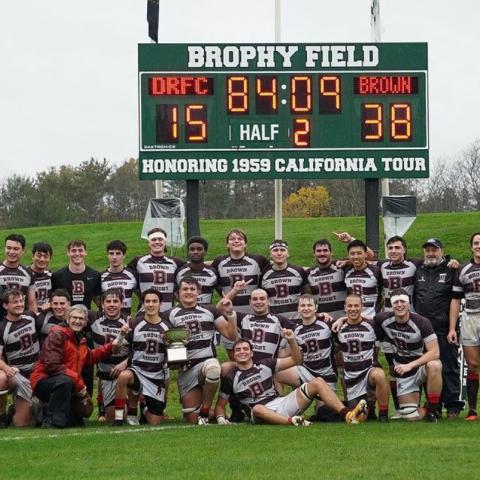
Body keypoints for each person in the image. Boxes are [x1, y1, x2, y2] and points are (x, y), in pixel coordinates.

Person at [214, 336, 368, 426]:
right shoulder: (231, 377)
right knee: (257, 408)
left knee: (318, 382)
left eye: (245, 349)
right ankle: (292, 421)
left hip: (280, 403)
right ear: (233, 355)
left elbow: (296, 360)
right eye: (238, 350)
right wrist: (221, 419)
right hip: (260, 413)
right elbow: (220, 406)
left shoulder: (266, 364)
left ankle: (348, 415)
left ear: (252, 352)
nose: (242, 352)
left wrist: (292, 341)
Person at [30, 304, 123, 428]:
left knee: (78, 421)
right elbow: (52, 366)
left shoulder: (80, 339)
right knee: (65, 382)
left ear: (85, 322)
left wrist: (111, 346)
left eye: (81, 319)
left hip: (66, 383)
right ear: (67, 319)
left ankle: (43, 412)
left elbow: (89, 357)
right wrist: (79, 384)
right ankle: (52, 422)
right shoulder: (57, 334)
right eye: (74, 318)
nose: (77, 321)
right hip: (43, 381)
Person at [162, 277, 238, 425]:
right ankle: (212, 413)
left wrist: (231, 315)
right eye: (185, 289)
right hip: (186, 368)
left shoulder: (210, 310)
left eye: (192, 289)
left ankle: (205, 410)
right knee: (192, 419)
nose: (188, 292)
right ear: (178, 293)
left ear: (199, 292)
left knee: (214, 369)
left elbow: (232, 335)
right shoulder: (169, 314)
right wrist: (171, 357)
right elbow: (167, 344)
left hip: (206, 362)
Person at [414, 238, 464, 418]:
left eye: (434, 250)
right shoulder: (418, 270)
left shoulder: (452, 269)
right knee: (427, 367)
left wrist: (452, 327)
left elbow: (456, 298)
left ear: (441, 251)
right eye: (427, 250)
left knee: (449, 367)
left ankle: (453, 406)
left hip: (444, 328)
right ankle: (433, 404)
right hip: (422, 330)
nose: (430, 253)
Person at [375, 289, 443, 422]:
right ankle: (426, 409)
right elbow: (362, 319)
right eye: (396, 302)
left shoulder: (422, 322)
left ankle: (433, 412)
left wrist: (409, 365)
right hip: (405, 373)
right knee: (409, 416)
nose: (399, 305)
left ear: (408, 303)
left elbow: (435, 352)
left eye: (403, 301)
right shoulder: (383, 319)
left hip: (420, 367)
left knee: (435, 365)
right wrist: (342, 319)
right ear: (391, 304)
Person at [274, 294, 338, 422]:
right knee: (274, 372)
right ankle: (278, 404)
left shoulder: (327, 323)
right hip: (306, 372)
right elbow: (291, 356)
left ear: (316, 308)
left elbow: (349, 322)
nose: (306, 308)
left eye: (309, 305)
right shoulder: (296, 330)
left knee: (325, 415)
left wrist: (341, 319)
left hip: (326, 376)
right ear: (298, 309)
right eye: (303, 305)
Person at [113, 289, 170, 426]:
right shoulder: (134, 324)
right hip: (137, 371)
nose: (151, 304)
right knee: (124, 376)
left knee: (155, 422)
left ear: (160, 304)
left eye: (154, 301)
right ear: (143, 304)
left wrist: (176, 351)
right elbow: (115, 349)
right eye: (147, 301)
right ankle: (120, 417)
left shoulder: (168, 327)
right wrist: (121, 335)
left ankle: (144, 408)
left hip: (156, 376)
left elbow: (172, 358)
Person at [335, 293, 389, 422]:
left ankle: (383, 415)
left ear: (362, 307)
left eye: (356, 306)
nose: (353, 309)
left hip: (368, 372)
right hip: (352, 378)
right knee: (360, 418)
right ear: (345, 307)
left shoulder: (372, 325)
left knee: (380, 375)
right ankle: (369, 407)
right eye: (350, 306)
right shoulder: (338, 328)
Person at [450, 232, 480, 421]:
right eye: (476, 243)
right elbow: (455, 300)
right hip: (470, 318)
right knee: (473, 365)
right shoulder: (462, 269)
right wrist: (452, 328)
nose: (479, 246)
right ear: (471, 247)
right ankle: (472, 410)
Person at [0, 289, 41, 427]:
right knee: (22, 424)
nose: (19, 304)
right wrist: (7, 368)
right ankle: (4, 415)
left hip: (37, 370)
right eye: (15, 302)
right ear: (5, 305)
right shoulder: (2, 328)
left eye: (21, 301)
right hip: (18, 373)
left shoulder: (31, 316)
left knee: (33, 418)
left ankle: (15, 410)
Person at [90, 289, 130, 423]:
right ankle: (103, 409)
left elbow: (138, 349)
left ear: (122, 304)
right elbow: (71, 312)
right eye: (108, 301)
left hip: (126, 373)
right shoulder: (93, 319)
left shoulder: (130, 322)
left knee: (127, 417)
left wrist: (125, 363)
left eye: (115, 301)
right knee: (113, 419)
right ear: (102, 304)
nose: (111, 305)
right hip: (107, 376)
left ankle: (142, 406)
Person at [127, 228, 185, 312]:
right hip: (145, 313)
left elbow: (193, 265)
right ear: (149, 243)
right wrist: (139, 293)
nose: (157, 242)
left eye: (160, 239)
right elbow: (124, 273)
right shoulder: (138, 261)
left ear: (165, 243)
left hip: (167, 313)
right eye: (153, 240)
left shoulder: (175, 262)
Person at [261, 239, 308, 321]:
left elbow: (307, 296)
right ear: (270, 255)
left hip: (297, 321)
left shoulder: (298, 271)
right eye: (275, 250)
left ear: (288, 254)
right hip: (274, 323)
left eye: (282, 250)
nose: (279, 253)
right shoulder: (264, 274)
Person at [51, 240, 101, 309]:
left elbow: (98, 299)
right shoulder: (57, 276)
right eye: (73, 251)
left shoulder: (94, 275)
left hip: (86, 316)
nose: (77, 254)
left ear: (85, 252)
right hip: (65, 317)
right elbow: (53, 300)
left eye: (80, 250)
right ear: (68, 253)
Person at [306, 239, 347, 320]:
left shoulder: (342, 267)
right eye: (318, 251)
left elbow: (367, 258)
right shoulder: (309, 273)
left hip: (342, 320)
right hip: (322, 323)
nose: (322, 254)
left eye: (325, 250)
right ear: (314, 254)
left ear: (331, 252)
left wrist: (348, 261)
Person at [0, 234, 37, 317]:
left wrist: (34, 321)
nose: (11, 252)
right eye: (8, 248)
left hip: (20, 324)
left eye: (16, 249)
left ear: (23, 250)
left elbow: (32, 304)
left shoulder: (28, 273)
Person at [175, 236, 218, 306]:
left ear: (205, 252)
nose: (195, 252)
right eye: (192, 249)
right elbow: (174, 293)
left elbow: (223, 294)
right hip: (184, 314)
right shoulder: (180, 272)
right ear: (188, 252)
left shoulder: (213, 272)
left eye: (199, 249)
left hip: (206, 314)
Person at [344, 240, 382, 318]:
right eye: (352, 254)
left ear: (366, 254)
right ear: (348, 255)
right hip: (352, 319)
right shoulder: (345, 271)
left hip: (372, 319)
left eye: (359, 253)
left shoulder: (376, 271)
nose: (356, 256)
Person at [100, 240, 137, 315]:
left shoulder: (132, 275)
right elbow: (96, 298)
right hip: (106, 322)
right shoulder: (101, 276)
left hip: (125, 322)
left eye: (118, 253)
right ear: (107, 255)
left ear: (124, 255)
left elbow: (141, 295)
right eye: (111, 253)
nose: (114, 257)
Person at [27, 242, 53, 312]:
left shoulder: (51, 275)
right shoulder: (25, 274)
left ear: (50, 258)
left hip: (47, 314)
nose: (42, 259)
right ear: (32, 256)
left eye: (46, 256)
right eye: (39, 256)